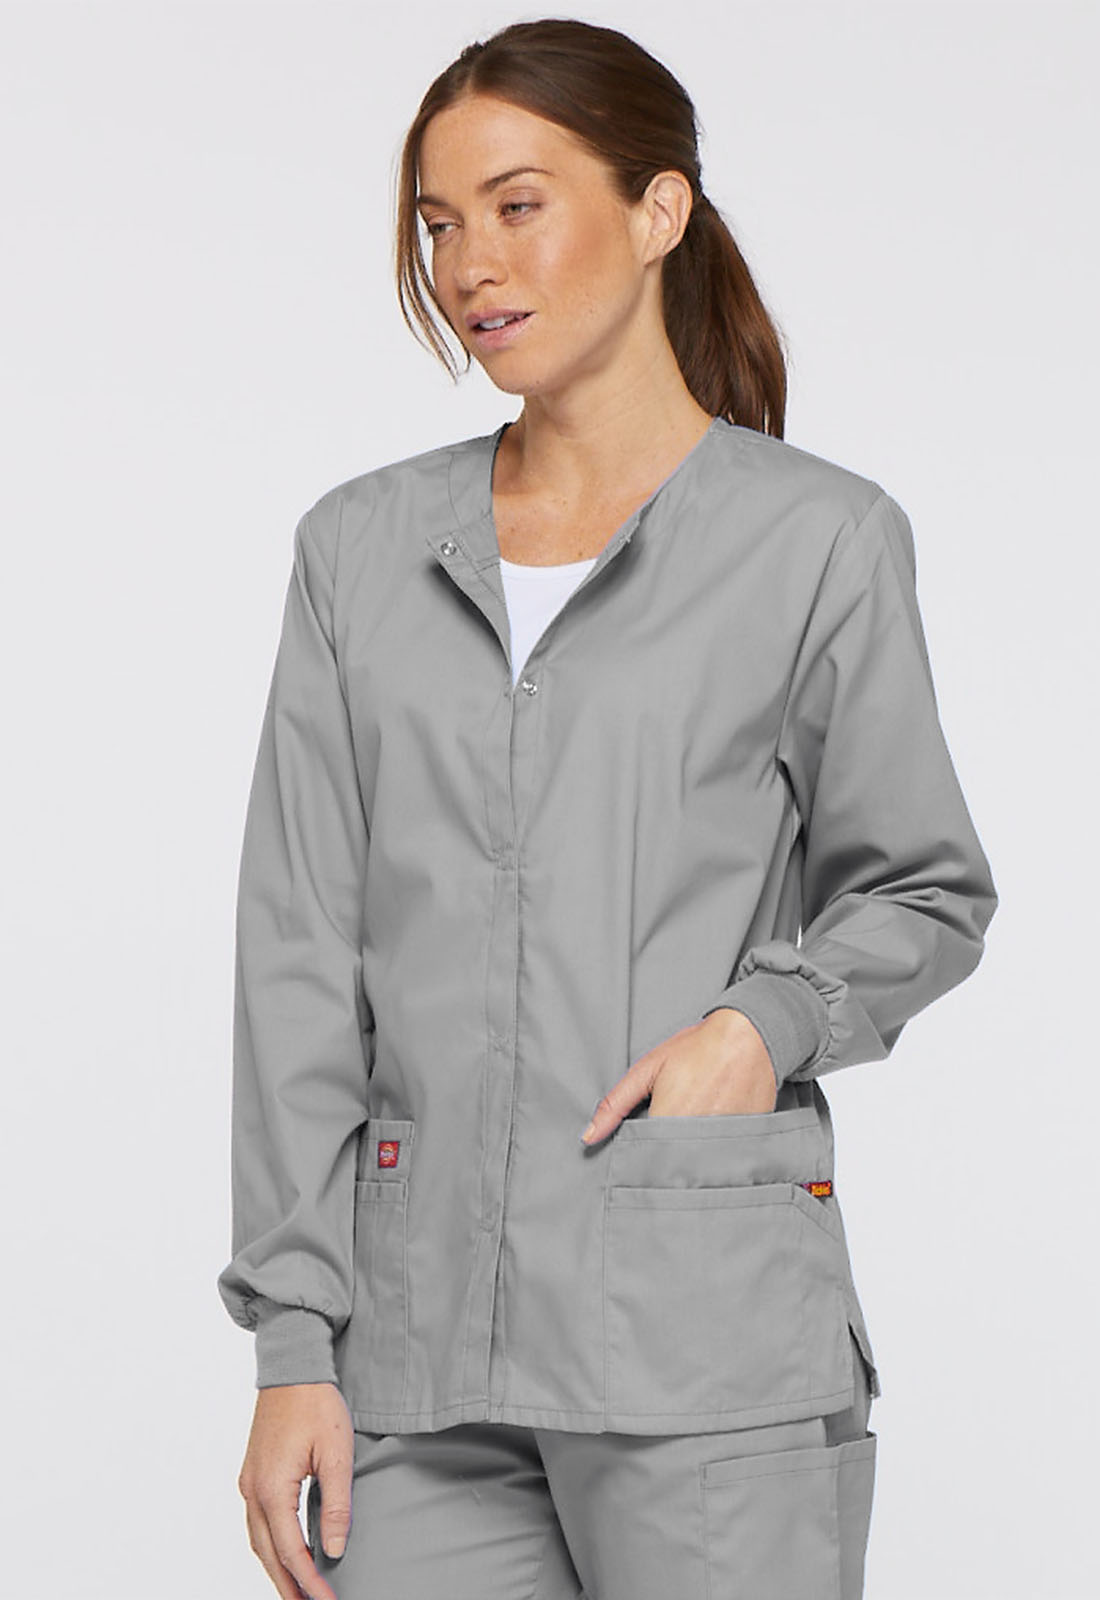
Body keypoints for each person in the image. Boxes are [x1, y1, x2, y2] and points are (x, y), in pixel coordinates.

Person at [216, 17, 998, 1600]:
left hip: (706, 1342)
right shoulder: (359, 553)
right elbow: (300, 958)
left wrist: (763, 1026)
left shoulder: (817, 544)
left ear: (659, 211)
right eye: (440, 223)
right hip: (419, 1364)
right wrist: (295, 1341)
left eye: (518, 206)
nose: (469, 265)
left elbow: (924, 885)